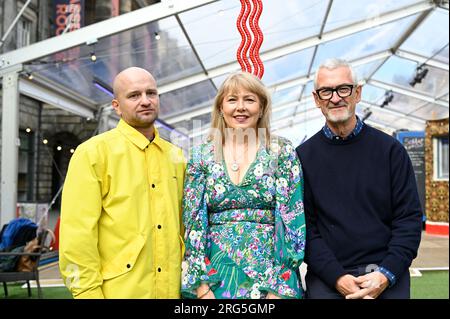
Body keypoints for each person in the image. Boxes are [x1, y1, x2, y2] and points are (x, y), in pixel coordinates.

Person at [296, 58, 422, 299]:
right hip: (329, 275)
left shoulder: (391, 151)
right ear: (316, 99)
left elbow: (408, 220)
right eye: (326, 91)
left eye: (343, 88)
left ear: (357, 93)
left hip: (385, 272)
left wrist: (385, 275)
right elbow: (305, 230)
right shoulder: (302, 158)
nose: (335, 98)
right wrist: (337, 278)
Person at [59, 67, 186, 298]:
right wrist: (87, 293)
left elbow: (183, 226)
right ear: (116, 106)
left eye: (151, 93)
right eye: (134, 95)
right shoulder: (92, 154)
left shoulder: (176, 157)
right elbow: (77, 235)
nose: (145, 101)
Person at [180, 71, 306, 299]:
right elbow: (193, 224)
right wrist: (202, 287)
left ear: (262, 107)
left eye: (249, 99)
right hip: (215, 279)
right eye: (232, 100)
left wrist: (278, 288)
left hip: (271, 278)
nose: (241, 107)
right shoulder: (201, 155)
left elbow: (292, 220)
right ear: (220, 108)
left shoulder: (281, 151)